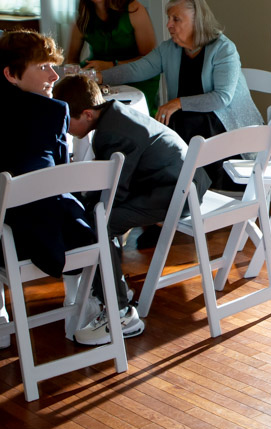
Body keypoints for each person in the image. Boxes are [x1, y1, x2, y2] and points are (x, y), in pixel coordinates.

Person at [0, 30, 139, 349]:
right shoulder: (54, 113)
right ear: (11, 74)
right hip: (59, 236)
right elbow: (62, 175)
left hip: (3, 239)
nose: (53, 75)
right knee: (65, 207)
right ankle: (81, 310)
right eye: (43, 68)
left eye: (53, 66)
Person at [53, 74, 208, 341]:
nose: (65, 129)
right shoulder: (115, 112)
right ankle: (112, 290)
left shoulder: (111, 136)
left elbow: (114, 193)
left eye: (68, 121)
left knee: (101, 222)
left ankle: (120, 311)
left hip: (175, 193)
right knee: (95, 214)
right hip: (175, 181)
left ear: (88, 114)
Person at [99, 0, 262, 191]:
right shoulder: (169, 49)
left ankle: (181, 190)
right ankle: (165, 192)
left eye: (176, 19)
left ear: (198, 22)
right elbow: (136, 69)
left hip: (227, 130)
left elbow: (222, 98)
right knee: (161, 126)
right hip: (191, 128)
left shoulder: (223, 49)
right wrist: (99, 77)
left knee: (173, 124)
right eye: (169, 18)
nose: (169, 25)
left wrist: (177, 103)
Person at [69, 0, 160, 114]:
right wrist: (76, 75)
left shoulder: (134, 10)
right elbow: (71, 59)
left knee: (120, 115)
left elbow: (150, 60)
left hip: (136, 76)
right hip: (97, 75)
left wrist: (111, 65)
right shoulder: (83, 16)